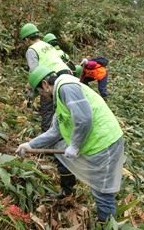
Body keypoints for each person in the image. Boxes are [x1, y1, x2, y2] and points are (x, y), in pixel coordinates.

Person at [16, 65, 125, 223]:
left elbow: (84, 118)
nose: (42, 97)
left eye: (39, 93)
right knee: (99, 190)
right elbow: (55, 131)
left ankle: (107, 224)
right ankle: (106, 220)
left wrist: (74, 145)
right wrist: (30, 145)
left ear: (45, 84)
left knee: (102, 192)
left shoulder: (66, 87)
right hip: (96, 144)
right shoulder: (60, 97)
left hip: (104, 142)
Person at [20, 23, 75, 198]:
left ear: (27, 39)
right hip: (67, 77)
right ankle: (61, 146)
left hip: (51, 81)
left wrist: (31, 90)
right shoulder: (47, 44)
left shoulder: (31, 49)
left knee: (49, 116)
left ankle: (49, 150)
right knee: (63, 116)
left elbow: (35, 73)